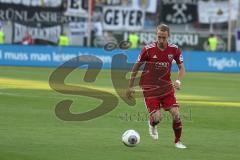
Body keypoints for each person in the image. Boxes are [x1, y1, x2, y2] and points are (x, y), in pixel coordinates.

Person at [126, 24, 187, 149]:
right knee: (157, 117)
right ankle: (152, 124)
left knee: (176, 113)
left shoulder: (174, 50)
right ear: (156, 35)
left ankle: (178, 141)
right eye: (159, 37)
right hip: (150, 88)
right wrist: (130, 86)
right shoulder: (147, 49)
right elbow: (136, 66)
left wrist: (178, 81)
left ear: (168, 36)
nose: (161, 40)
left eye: (164, 38)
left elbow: (181, 67)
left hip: (166, 87)